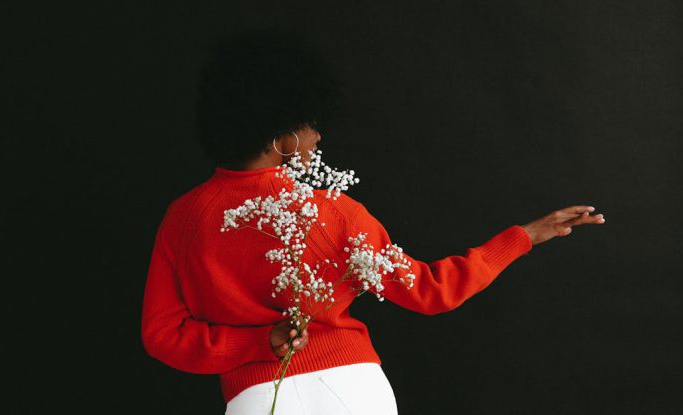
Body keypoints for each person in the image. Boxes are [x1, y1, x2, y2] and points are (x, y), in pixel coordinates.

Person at [140, 27, 605, 415]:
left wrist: (261, 344)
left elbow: (162, 336)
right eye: (311, 124)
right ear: (279, 134)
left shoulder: (184, 218)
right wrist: (524, 237)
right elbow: (430, 291)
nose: (318, 136)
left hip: (259, 398)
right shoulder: (333, 212)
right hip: (353, 389)